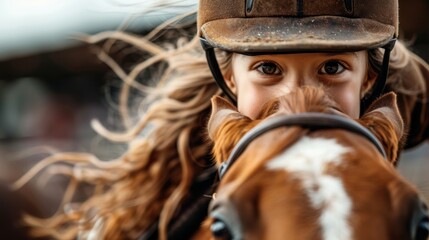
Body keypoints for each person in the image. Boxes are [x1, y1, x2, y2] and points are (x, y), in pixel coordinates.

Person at [15, 0, 429, 239]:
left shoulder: (407, 101)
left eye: (334, 68)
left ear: (370, 79)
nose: (300, 96)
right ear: (230, 77)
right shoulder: (184, 157)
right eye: (267, 69)